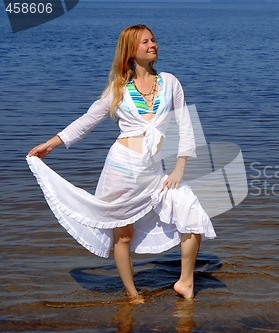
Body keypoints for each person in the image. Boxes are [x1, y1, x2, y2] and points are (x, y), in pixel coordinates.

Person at [27, 24, 216, 303]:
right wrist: (51, 144)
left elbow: (186, 126)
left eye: (154, 40)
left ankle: (185, 282)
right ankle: (132, 294)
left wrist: (180, 167)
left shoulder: (170, 82)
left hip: (155, 172)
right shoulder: (118, 88)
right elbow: (87, 121)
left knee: (192, 216)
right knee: (123, 237)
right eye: (145, 42)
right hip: (122, 170)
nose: (153, 45)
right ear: (130, 50)